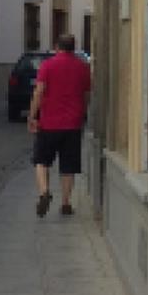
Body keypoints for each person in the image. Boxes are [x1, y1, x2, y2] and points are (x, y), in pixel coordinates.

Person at [27, 33, 93, 217]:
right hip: (72, 124)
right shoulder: (83, 67)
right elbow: (87, 94)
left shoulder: (47, 65)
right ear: (74, 47)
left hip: (49, 123)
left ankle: (44, 192)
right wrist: (83, 112)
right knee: (68, 166)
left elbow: (39, 92)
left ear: (57, 46)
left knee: (41, 161)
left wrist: (32, 116)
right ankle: (65, 203)